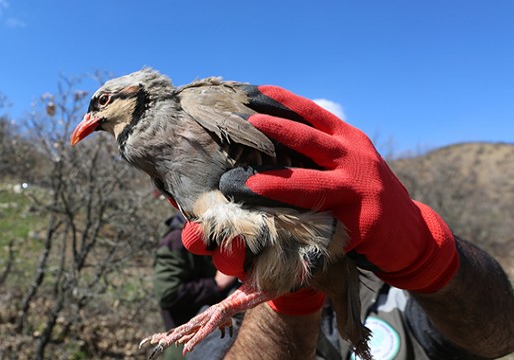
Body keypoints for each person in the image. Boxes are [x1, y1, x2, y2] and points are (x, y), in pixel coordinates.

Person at [178, 85, 514, 359]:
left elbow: (500, 336)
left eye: (312, 165)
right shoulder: (224, 311)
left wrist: (428, 253)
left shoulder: (395, 291)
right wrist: (285, 288)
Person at [153, 213, 240, 360]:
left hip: (224, 339)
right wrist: (216, 284)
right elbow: (167, 294)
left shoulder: (224, 233)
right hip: (186, 347)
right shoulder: (176, 240)